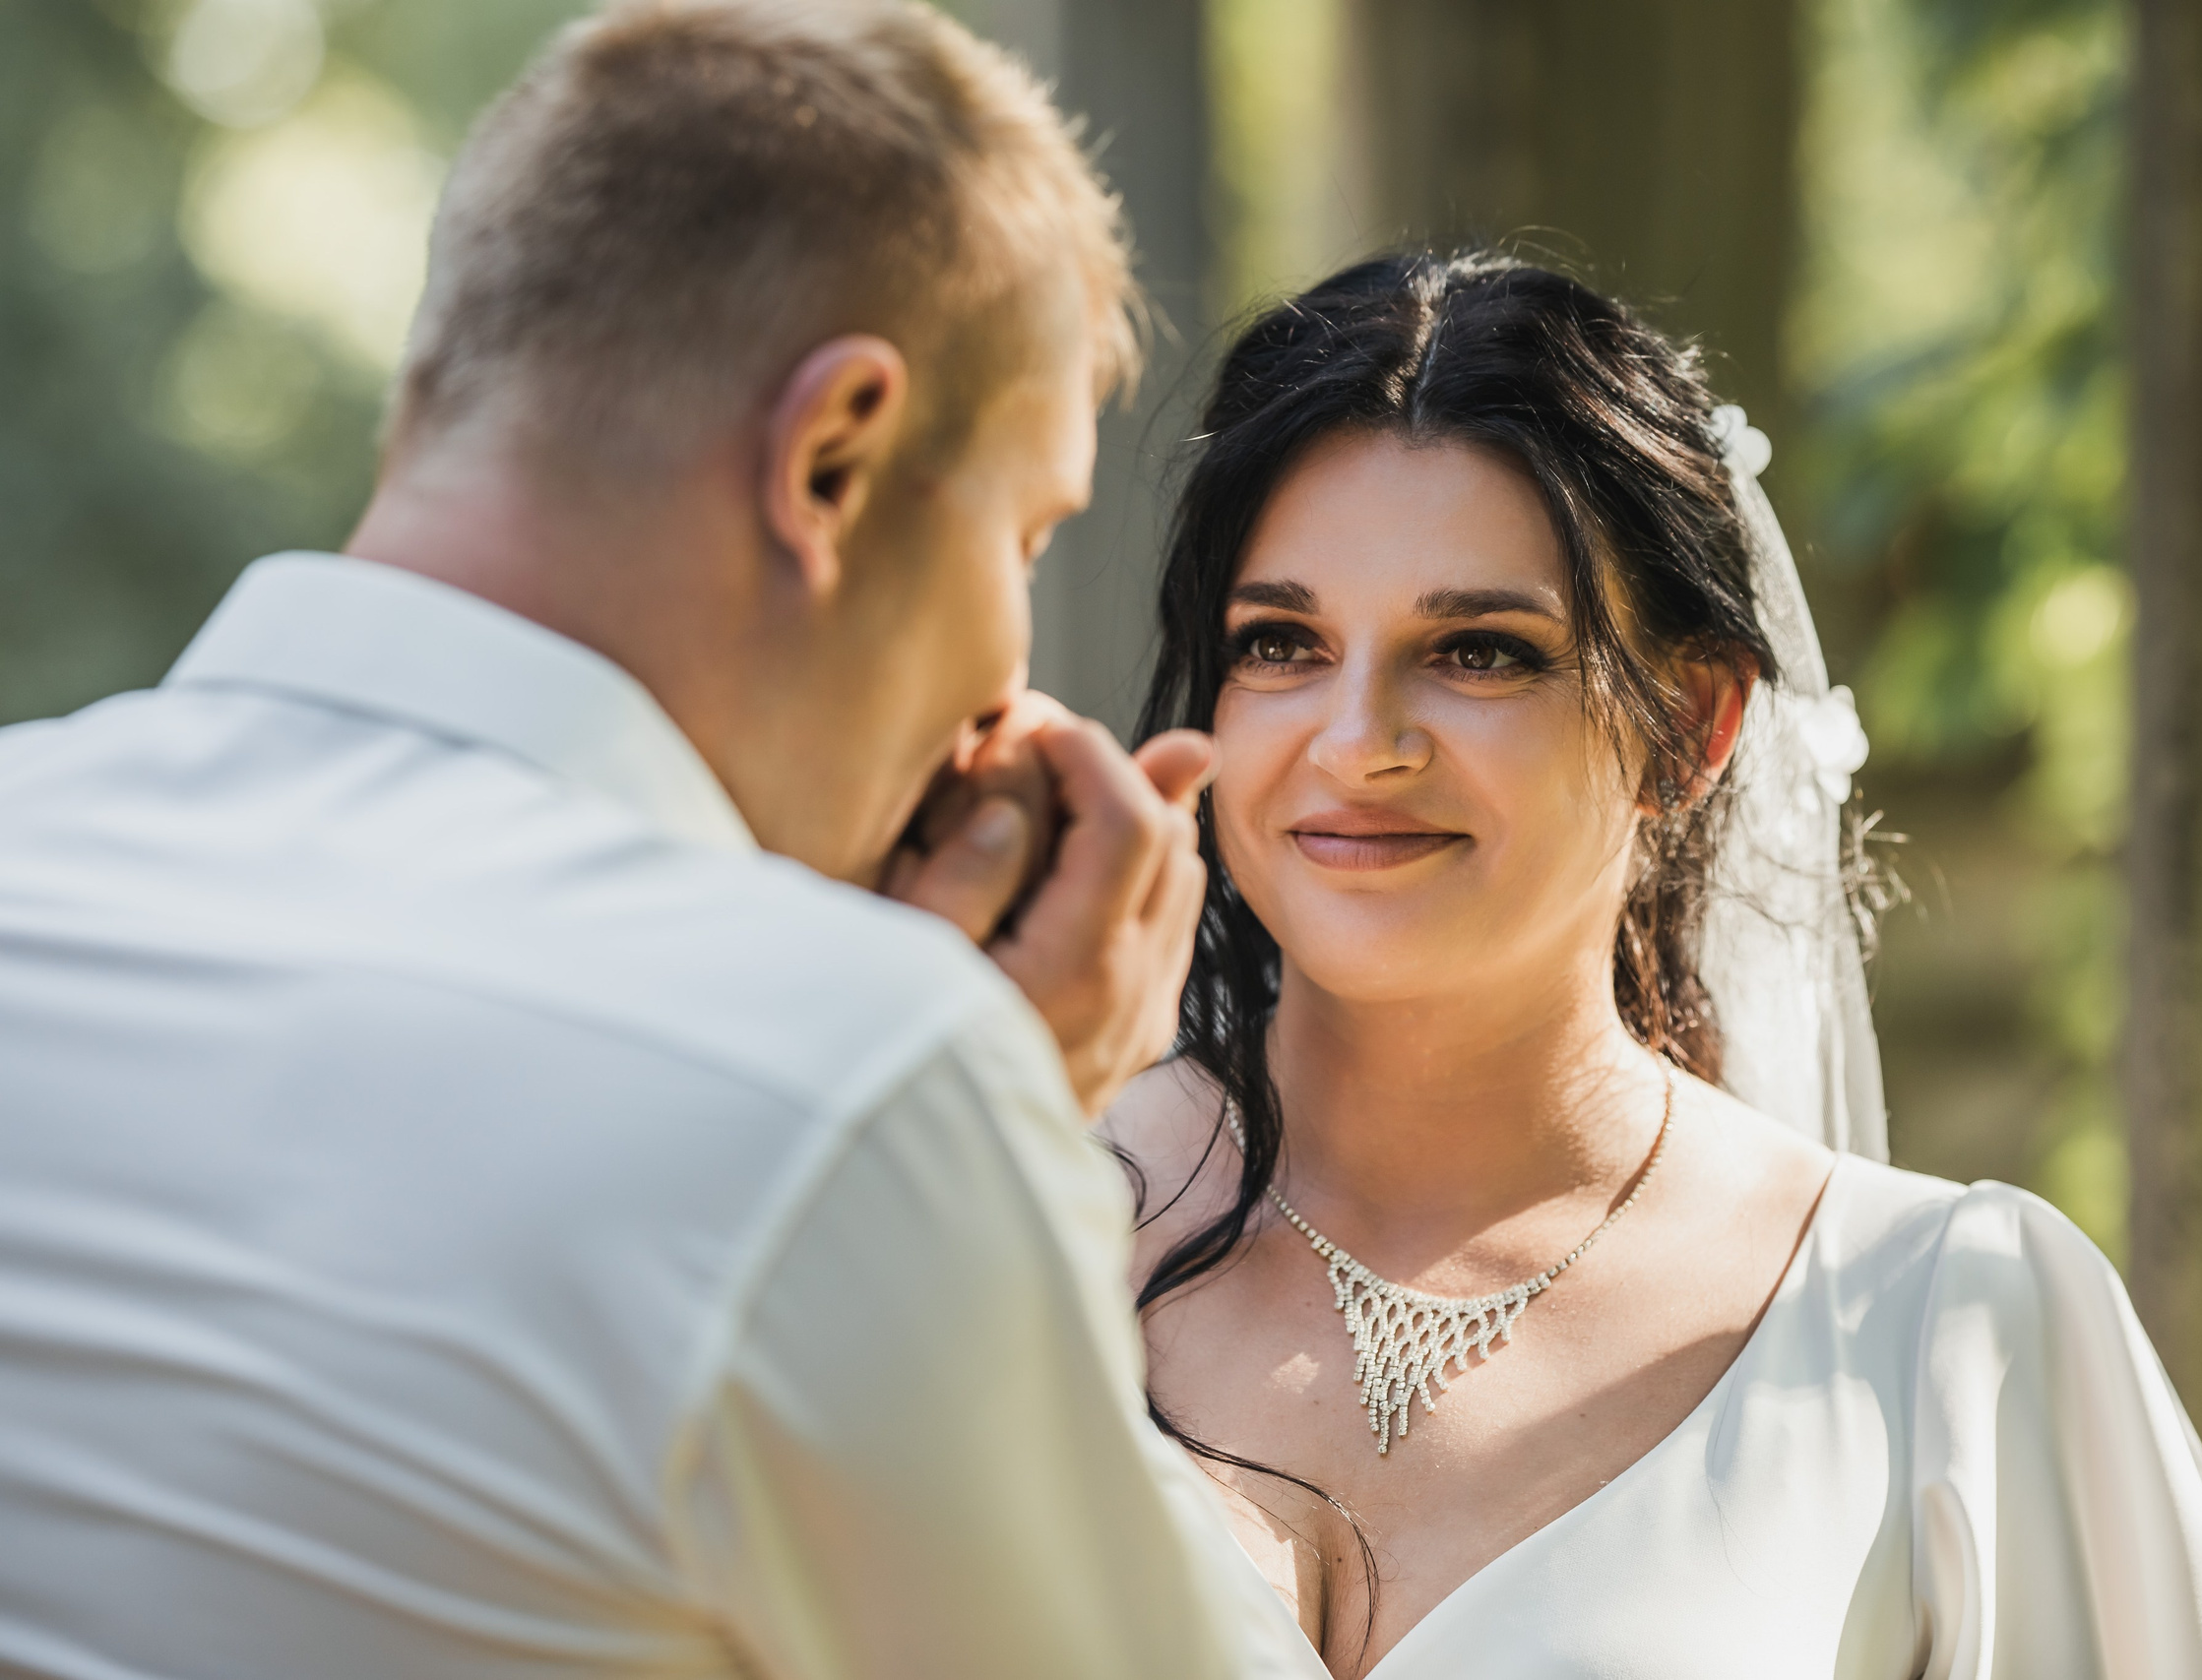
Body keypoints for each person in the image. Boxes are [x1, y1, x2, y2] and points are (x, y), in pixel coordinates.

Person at [0, 4, 1315, 1677]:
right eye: (1029, 529)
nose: (1017, 674)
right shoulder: (853, 1083)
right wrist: (998, 1119)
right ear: (834, 457)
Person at [1105, 254, 2202, 1679]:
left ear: (1691, 725)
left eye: (1479, 651)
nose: (1359, 742)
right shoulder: (1011, 1215)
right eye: (1281, 643)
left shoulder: (1940, 1328)